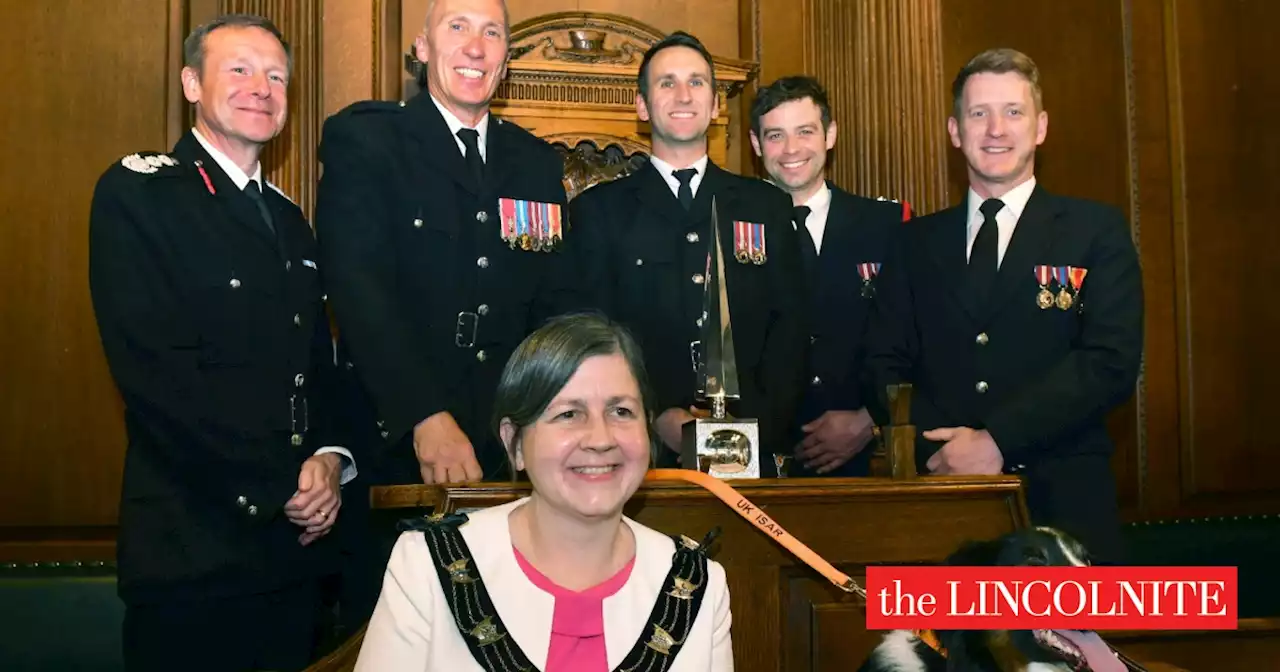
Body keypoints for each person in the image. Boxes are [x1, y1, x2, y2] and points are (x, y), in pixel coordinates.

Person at [87, 14, 356, 671]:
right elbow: (156, 378)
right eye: (239, 69)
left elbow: (318, 365)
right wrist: (274, 484)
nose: (260, 87)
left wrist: (328, 458)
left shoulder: (291, 222)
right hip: (194, 552)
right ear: (190, 83)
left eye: (276, 76)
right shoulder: (140, 195)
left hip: (293, 557)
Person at [862, 48, 1143, 563]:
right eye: (978, 113)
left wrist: (997, 440)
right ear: (954, 130)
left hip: (1064, 506)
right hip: (942, 499)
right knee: (939, 647)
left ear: (1040, 127)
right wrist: (944, 447)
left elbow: (1110, 363)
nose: (996, 129)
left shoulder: (1094, 231)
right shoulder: (913, 243)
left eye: (1013, 112)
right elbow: (883, 362)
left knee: (1072, 648)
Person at [354, 313, 733, 671]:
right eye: (568, 414)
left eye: (621, 412)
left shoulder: (697, 583)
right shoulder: (429, 564)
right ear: (514, 443)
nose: (601, 439)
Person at [314, 0, 577, 488]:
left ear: (506, 58)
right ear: (422, 46)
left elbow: (554, 304)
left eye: (491, 33)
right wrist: (423, 414)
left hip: (510, 445)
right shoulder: (369, 140)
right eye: (457, 27)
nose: (475, 48)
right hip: (395, 444)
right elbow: (357, 290)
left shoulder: (535, 162)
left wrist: (538, 416)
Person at [567, 32, 808, 475]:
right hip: (640, 453)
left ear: (716, 104)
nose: (683, 95)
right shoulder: (599, 212)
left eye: (697, 83)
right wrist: (654, 416)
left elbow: (790, 329)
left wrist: (758, 427)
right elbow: (590, 337)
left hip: (754, 449)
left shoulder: (764, 206)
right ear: (642, 106)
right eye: (666, 83)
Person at [749, 75, 910, 477]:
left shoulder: (889, 225)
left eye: (805, 131)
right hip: (759, 464)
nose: (791, 150)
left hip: (864, 462)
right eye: (775, 136)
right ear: (755, 145)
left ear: (830, 134)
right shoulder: (732, 226)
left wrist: (869, 420)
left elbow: (919, 340)